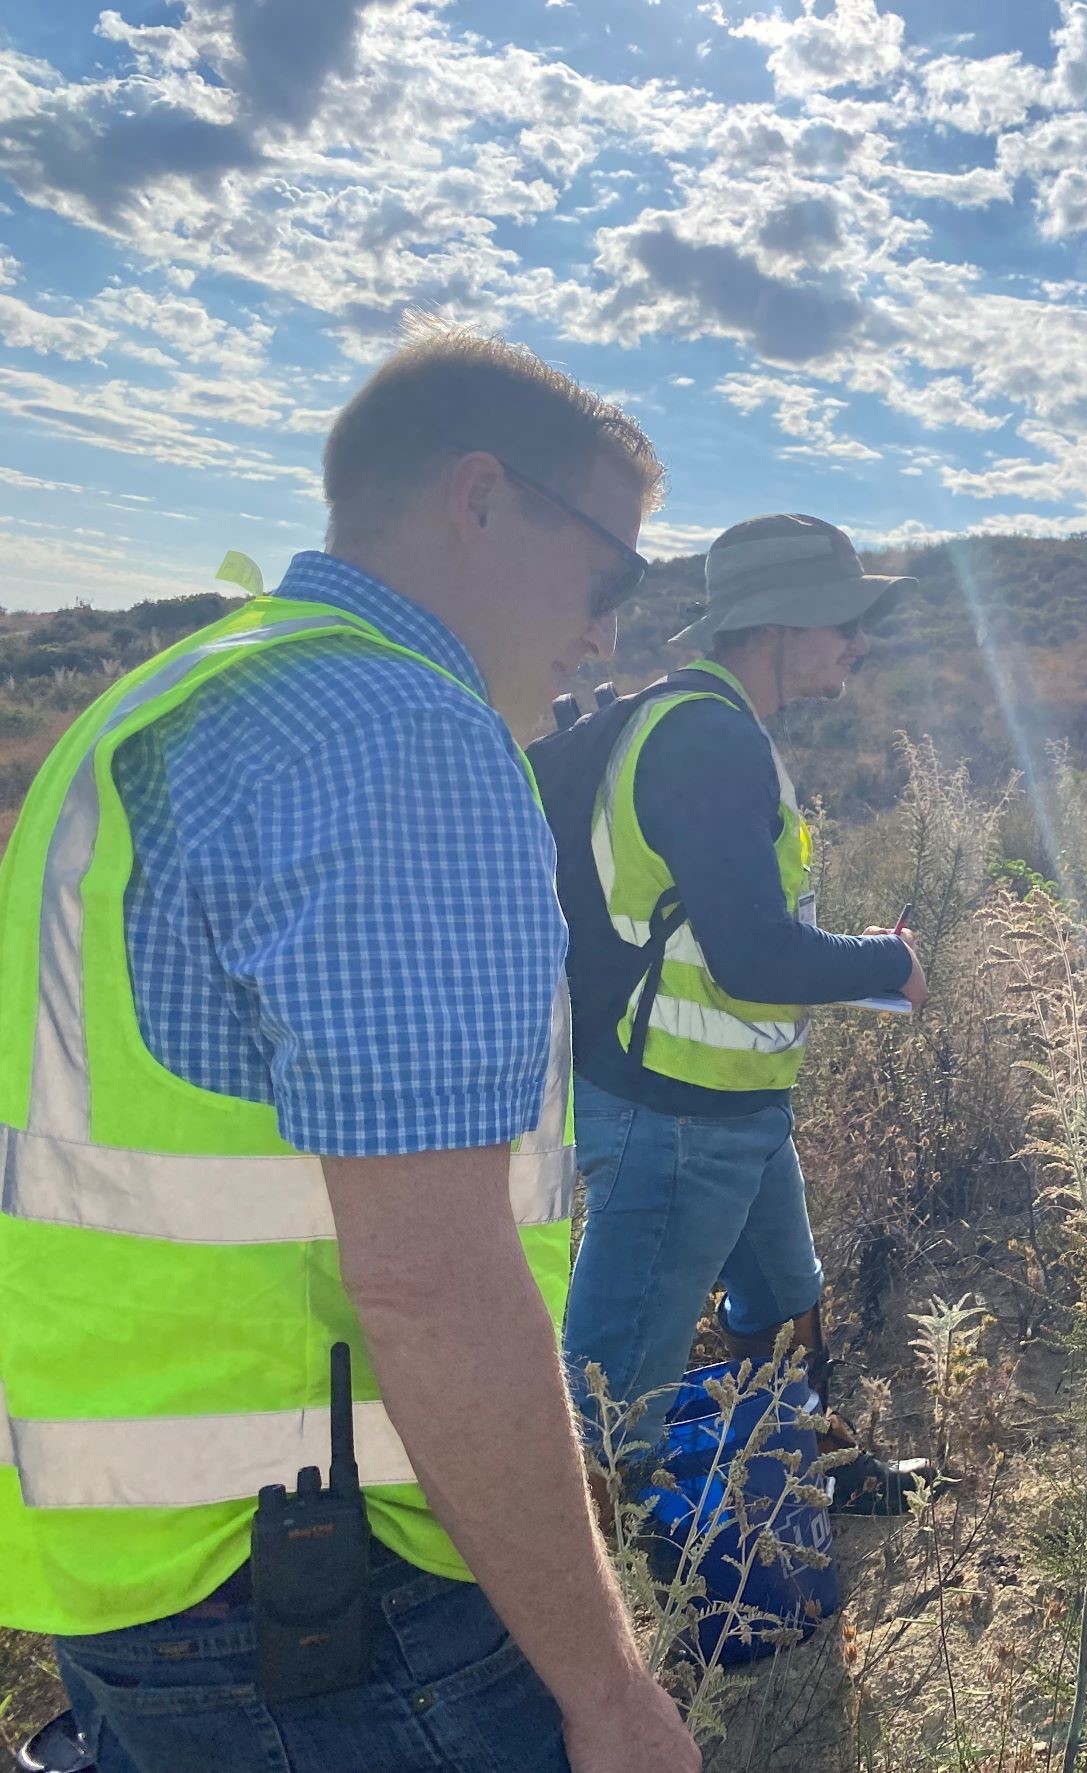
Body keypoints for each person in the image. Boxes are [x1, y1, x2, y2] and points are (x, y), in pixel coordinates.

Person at [0, 324, 700, 1773]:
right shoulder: (397, 729)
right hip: (331, 1599)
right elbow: (430, 1276)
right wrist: (614, 1693)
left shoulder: (177, 698)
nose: (606, 638)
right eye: (609, 577)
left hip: (153, 1578)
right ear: (483, 499)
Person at [530, 513, 929, 1508]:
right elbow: (753, 958)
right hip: (671, 1110)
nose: (857, 641)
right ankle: (620, 1587)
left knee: (785, 1297)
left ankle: (802, 1473)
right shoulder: (706, 740)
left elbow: (727, 936)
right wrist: (892, 961)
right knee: (614, 1385)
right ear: (777, 622)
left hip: (729, 1105)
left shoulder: (709, 726)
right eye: (843, 618)